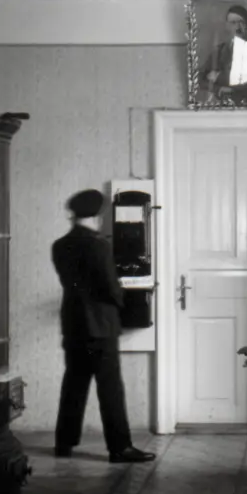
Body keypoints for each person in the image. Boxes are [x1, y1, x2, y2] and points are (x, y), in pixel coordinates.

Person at [51, 189, 155, 464]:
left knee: (74, 384)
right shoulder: (98, 245)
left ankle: (64, 443)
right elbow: (110, 287)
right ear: (97, 215)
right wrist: (121, 300)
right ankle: (120, 448)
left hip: (73, 325)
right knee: (110, 388)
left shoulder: (59, 245)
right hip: (101, 326)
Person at [198, 4, 247, 104]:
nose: (237, 27)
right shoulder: (220, 49)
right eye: (233, 23)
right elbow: (199, 78)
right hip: (222, 106)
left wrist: (218, 77)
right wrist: (218, 89)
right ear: (227, 26)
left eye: (241, 22)